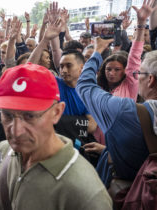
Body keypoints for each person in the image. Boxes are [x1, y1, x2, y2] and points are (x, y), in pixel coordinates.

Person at [0, 63, 112, 210]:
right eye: (7, 115)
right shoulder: (3, 150)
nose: (15, 131)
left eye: (29, 116)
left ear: (57, 112)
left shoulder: (87, 194)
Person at [75, 0, 157, 188]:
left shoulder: (121, 110)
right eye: (108, 69)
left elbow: (85, 85)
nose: (111, 73)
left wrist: (97, 51)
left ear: (150, 80)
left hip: (131, 192)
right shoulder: (110, 94)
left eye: (139, 73)